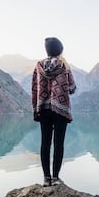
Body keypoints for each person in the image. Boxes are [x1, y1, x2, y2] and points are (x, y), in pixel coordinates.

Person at [31, 37, 76, 187]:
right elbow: (72, 88)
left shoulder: (39, 66)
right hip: (60, 109)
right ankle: (56, 178)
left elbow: (34, 87)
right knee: (58, 144)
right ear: (60, 50)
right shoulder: (64, 65)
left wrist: (37, 105)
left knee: (45, 143)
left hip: (44, 108)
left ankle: (46, 179)